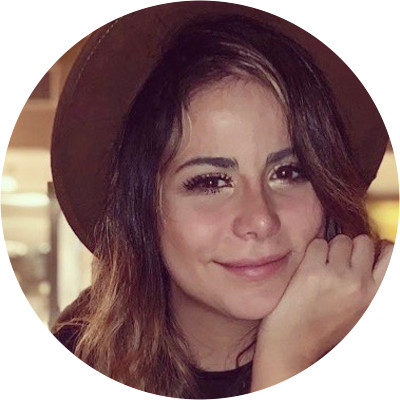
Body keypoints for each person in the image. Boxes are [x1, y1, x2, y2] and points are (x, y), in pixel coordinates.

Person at [50, 4, 393, 399]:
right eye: (210, 182)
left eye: (289, 172)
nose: (260, 220)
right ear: (143, 208)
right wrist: (287, 359)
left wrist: (288, 355)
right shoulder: (75, 359)